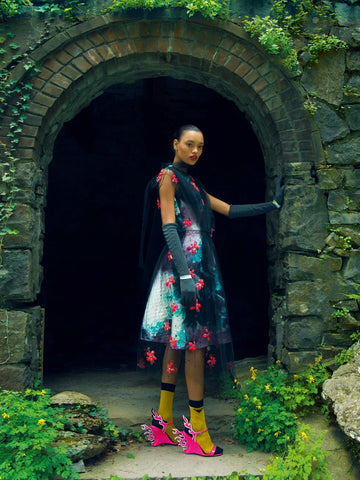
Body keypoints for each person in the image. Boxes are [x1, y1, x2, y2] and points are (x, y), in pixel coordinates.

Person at [139, 125, 284, 457]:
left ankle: (162, 422)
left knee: (180, 343)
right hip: (184, 267)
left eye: (200, 147)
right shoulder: (168, 177)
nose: (195, 151)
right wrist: (186, 276)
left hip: (198, 264)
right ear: (175, 144)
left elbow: (229, 210)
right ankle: (197, 432)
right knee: (194, 345)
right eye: (189, 144)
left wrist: (273, 205)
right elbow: (169, 226)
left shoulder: (193, 183)